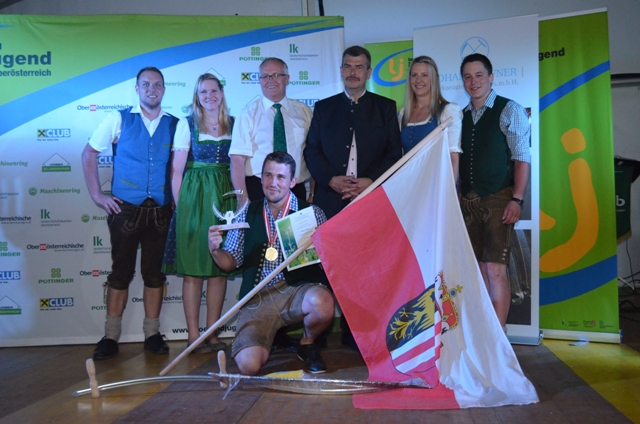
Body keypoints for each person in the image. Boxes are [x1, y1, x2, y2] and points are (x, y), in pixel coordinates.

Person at [304, 45, 402, 348]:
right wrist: (330, 179)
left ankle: (358, 334)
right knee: (327, 266)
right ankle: (318, 332)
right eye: (348, 66)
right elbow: (312, 150)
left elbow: (394, 152)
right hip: (330, 201)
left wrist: (370, 181)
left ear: (369, 72)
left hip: (370, 200)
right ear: (341, 71)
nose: (353, 72)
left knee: (365, 268)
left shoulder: (386, 107)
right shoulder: (324, 108)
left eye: (359, 67)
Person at [81, 66, 178, 359]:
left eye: (157, 84)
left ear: (164, 89)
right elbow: (89, 153)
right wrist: (98, 195)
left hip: (161, 211)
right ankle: (110, 336)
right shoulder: (118, 118)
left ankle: (152, 334)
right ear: (137, 89)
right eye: (146, 84)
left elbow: (180, 166)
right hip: (125, 211)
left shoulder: (175, 124)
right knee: (120, 273)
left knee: (155, 275)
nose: (152, 89)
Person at [208, 152, 334, 375]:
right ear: (261, 178)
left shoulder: (312, 213)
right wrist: (216, 251)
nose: (273, 182)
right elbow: (229, 263)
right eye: (268, 175)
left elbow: (328, 263)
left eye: (280, 177)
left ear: (293, 181)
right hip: (258, 298)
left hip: (297, 291)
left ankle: (307, 344)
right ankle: (268, 335)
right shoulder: (246, 212)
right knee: (248, 366)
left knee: (322, 303)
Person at [162, 73, 237, 354]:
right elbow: (176, 170)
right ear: (197, 96)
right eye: (203, 92)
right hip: (195, 198)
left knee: (219, 268)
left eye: (214, 90)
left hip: (225, 197)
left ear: (221, 92)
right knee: (194, 270)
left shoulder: (234, 123)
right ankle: (193, 335)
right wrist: (182, 206)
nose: (209, 96)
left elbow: (238, 165)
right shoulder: (188, 124)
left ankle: (212, 332)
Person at [458, 53, 531, 329]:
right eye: (467, 77)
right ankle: (484, 334)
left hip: (499, 198)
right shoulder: (461, 116)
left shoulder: (509, 109)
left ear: (491, 77)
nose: (473, 81)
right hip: (469, 202)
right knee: (477, 271)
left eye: (479, 75)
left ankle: (498, 339)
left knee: (495, 270)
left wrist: (517, 199)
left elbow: (522, 158)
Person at [229, 57, 312, 206]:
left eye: (276, 75)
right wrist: (242, 199)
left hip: (296, 190)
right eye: (265, 76)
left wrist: (312, 193)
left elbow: (314, 154)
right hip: (258, 190)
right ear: (259, 80)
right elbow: (237, 160)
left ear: (287, 78)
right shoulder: (248, 114)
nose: (270, 80)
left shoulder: (304, 112)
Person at [399, 56, 463, 182]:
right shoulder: (403, 114)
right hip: (407, 185)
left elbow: (453, 159)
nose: (418, 80)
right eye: (414, 75)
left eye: (424, 75)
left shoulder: (447, 111)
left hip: (435, 184)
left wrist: (447, 191)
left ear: (434, 79)